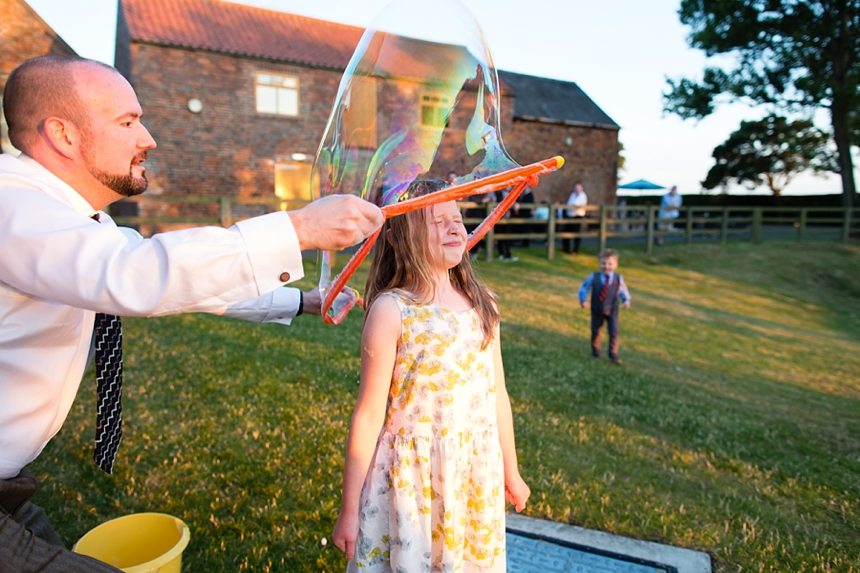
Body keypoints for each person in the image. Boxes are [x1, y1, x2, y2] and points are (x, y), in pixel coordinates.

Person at [0, 55, 383, 572]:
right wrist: (295, 229)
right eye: (128, 121)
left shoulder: (73, 223)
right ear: (62, 134)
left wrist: (300, 300)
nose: (149, 138)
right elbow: (135, 275)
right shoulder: (11, 203)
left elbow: (179, 281)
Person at [332, 179, 530, 572]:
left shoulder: (483, 304)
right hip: (412, 481)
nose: (454, 226)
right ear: (404, 236)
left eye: (457, 218)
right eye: (438, 220)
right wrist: (348, 508)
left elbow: (498, 395)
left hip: (473, 472)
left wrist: (511, 468)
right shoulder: (392, 310)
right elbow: (369, 414)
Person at [578, 249, 631, 365]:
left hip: (612, 309)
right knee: (596, 330)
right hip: (597, 308)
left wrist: (626, 300)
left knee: (614, 331)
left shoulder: (618, 278)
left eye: (610, 264)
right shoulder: (594, 277)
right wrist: (583, 300)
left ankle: (613, 354)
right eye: (603, 263)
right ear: (599, 264)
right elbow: (584, 288)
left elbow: (623, 290)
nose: (606, 267)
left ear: (616, 265)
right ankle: (595, 351)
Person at [562, 182, 588, 254]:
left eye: (578, 188)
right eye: (576, 188)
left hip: (578, 217)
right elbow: (569, 204)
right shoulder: (572, 195)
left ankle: (575, 250)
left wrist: (572, 207)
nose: (577, 189)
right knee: (567, 232)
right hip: (570, 216)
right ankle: (566, 249)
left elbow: (575, 205)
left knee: (576, 234)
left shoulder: (583, 196)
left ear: (581, 189)